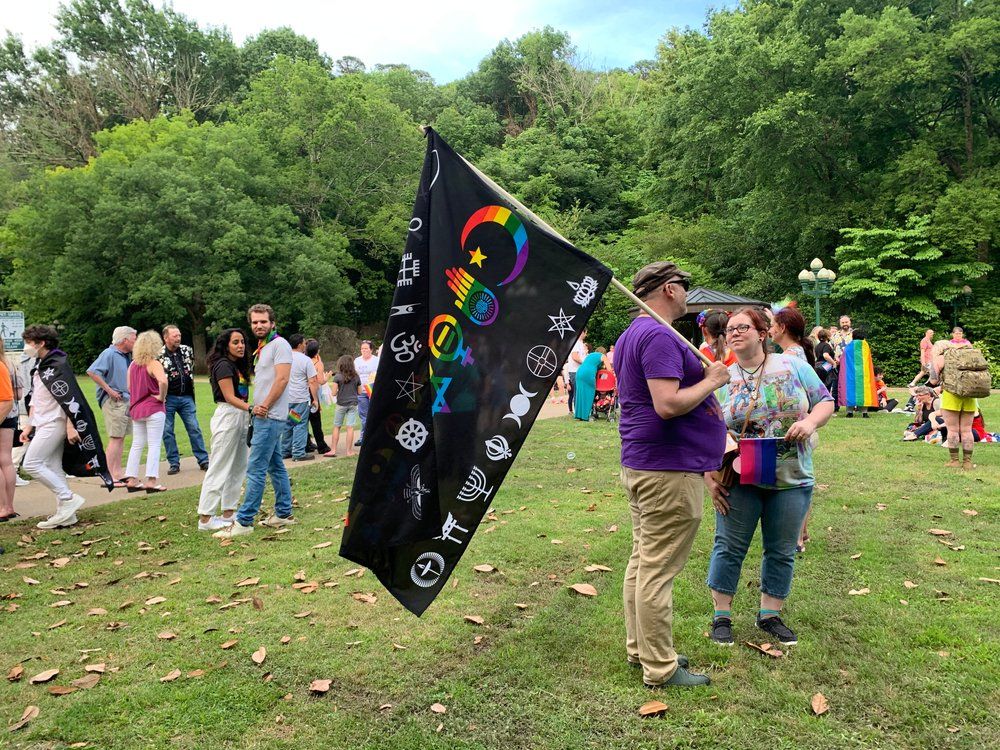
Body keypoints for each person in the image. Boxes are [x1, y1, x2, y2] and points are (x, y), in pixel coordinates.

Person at [616, 261, 730, 689]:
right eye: (685, 287)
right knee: (657, 570)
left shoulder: (634, 333)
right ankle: (660, 666)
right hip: (667, 469)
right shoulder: (659, 334)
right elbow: (666, 403)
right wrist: (713, 380)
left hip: (646, 463)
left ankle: (641, 648)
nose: (688, 293)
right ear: (669, 288)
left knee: (642, 561)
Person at [705, 308, 834, 648]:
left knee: (781, 548)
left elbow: (825, 401)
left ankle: (770, 615)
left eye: (742, 327)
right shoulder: (722, 377)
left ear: (762, 333)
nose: (734, 333)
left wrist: (809, 423)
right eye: (729, 329)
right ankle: (722, 617)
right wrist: (708, 477)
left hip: (792, 476)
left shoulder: (793, 366)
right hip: (740, 476)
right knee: (729, 546)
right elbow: (707, 431)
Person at [214, 304, 294, 539]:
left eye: (263, 321)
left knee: (256, 469)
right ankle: (284, 513)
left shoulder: (280, 345)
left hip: (269, 417)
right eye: (255, 322)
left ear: (272, 323)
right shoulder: (264, 346)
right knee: (275, 465)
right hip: (265, 416)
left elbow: (282, 380)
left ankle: (244, 521)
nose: (259, 325)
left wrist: (264, 407)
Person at [21, 324, 111, 529]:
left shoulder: (58, 365)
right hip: (43, 422)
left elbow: (70, 398)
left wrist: (71, 426)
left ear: (41, 343)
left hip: (54, 423)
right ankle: (66, 514)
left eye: (29, 343)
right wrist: (28, 426)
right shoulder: (41, 365)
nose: (26, 346)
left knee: (31, 463)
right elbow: (37, 398)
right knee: (53, 466)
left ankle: (68, 498)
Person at [197, 328, 251, 531]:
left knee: (238, 466)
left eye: (242, 342)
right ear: (225, 345)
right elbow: (229, 397)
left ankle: (229, 511)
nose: (240, 346)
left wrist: (248, 410)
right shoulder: (222, 365)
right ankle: (206, 518)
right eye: (235, 342)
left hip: (241, 415)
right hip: (228, 416)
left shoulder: (237, 366)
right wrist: (252, 408)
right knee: (219, 466)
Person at [86, 326, 136, 486]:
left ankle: (117, 472)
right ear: (125, 340)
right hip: (114, 401)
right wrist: (109, 390)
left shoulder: (125, 355)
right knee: (115, 437)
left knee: (120, 437)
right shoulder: (109, 353)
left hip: (125, 400)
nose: (136, 341)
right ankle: (107, 474)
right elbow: (92, 371)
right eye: (134, 338)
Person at [159, 325, 209, 475]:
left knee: (194, 427)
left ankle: (203, 460)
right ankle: (174, 462)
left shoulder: (187, 350)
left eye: (179, 335)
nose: (178, 338)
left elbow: (190, 367)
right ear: (166, 338)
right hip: (168, 399)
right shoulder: (158, 355)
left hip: (186, 397)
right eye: (175, 336)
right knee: (167, 431)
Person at [124, 331, 169, 493]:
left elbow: (129, 387)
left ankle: (132, 478)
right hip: (153, 408)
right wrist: (161, 397)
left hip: (137, 408)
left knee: (137, 443)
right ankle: (151, 480)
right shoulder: (153, 363)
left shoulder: (133, 365)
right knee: (154, 444)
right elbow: (163, 381)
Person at [934, 340, 978, 469]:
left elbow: (933, 379)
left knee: (952, 430)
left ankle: (954, 461)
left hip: (951, 395)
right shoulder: (969, 356)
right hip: (969, 396)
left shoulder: (942, 358)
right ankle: (968, 462)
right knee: (966, 430)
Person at [281, 334, 319, 462]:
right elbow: (312, 381)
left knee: (288, 423)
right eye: (304, 343)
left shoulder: (283, 358)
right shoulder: (305, 360)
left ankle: (285, 450)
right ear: (299, 345)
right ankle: (298, 452)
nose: (305, 345)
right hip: (299, 398)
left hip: (285, 398)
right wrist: (315, 399)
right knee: (300, 424)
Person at [325, 355, 361, 457]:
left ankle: (333, 450)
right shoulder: (356, 376)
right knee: (350, 428)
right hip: (353, 404)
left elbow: (333, 393)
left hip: (341, 404)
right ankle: (349, 451)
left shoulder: (337, 377)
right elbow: (360, 391)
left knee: (337, 426)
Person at [305, 339, 332, 455]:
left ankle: (306, 444)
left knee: (302, 421)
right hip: (312, 393)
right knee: (316, 420)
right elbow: (320, 381)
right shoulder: (318, 364)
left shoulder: (303, 360)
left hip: (300, 393)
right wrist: (328, 377)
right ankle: (321, 445)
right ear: (317, 351)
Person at [0, 338, 17, 521]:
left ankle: (4, 506)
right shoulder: (6, 363)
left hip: (3, 413)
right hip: (8, 415)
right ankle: (7, 506)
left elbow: (6, 398)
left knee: (3, 460)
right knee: (5, 459)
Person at [354, 340, 379, 446]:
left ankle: (376, 436)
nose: (364, 350)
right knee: (364, 415)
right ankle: (363, 437)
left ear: (371, 350)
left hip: (373, 391)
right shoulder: (357, 361)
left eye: (366, 348)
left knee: (374, 414)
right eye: (362, 348)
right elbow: (354, 375)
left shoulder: (377, 360)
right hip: (361, 392)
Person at [573, 346, 607, 421]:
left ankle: (579, 415)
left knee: (580, 394)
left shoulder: (590, 355)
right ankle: (586, 416)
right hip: (588, 374)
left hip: (579, 372)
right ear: (604, 352)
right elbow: (609, 369)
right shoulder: (603, 356)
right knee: (589, 393)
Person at [830, 315, 853, 410]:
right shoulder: (835, 335)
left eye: (846, 322)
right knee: (835, 385)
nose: (845, 324)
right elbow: (831, 348)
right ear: (840, 323)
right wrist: (834, 360)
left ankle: (853, 405)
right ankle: (835, 406)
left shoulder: (854, 334)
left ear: (850, 322)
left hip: (850, 364)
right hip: (838, 364)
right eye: (843, 322)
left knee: (851, 384)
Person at [565, 331, 588, 414]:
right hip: (575, 371)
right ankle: (577, 412)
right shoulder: (575, 343)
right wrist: (585, 363)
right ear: (582, 332)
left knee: (580, 391)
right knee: (577, 392)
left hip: (580, 371)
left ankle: (580, 411)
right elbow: (575, 357)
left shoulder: (581, 344)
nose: (586, 335)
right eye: (585, 333)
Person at [813, 328, 837, 393]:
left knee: (820, 389)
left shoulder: (817, 346)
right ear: (828, 337)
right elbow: (825, 355)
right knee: (827, 389)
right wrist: (833, 363)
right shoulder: (826, 345)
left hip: (817, 367)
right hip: (826, 367)